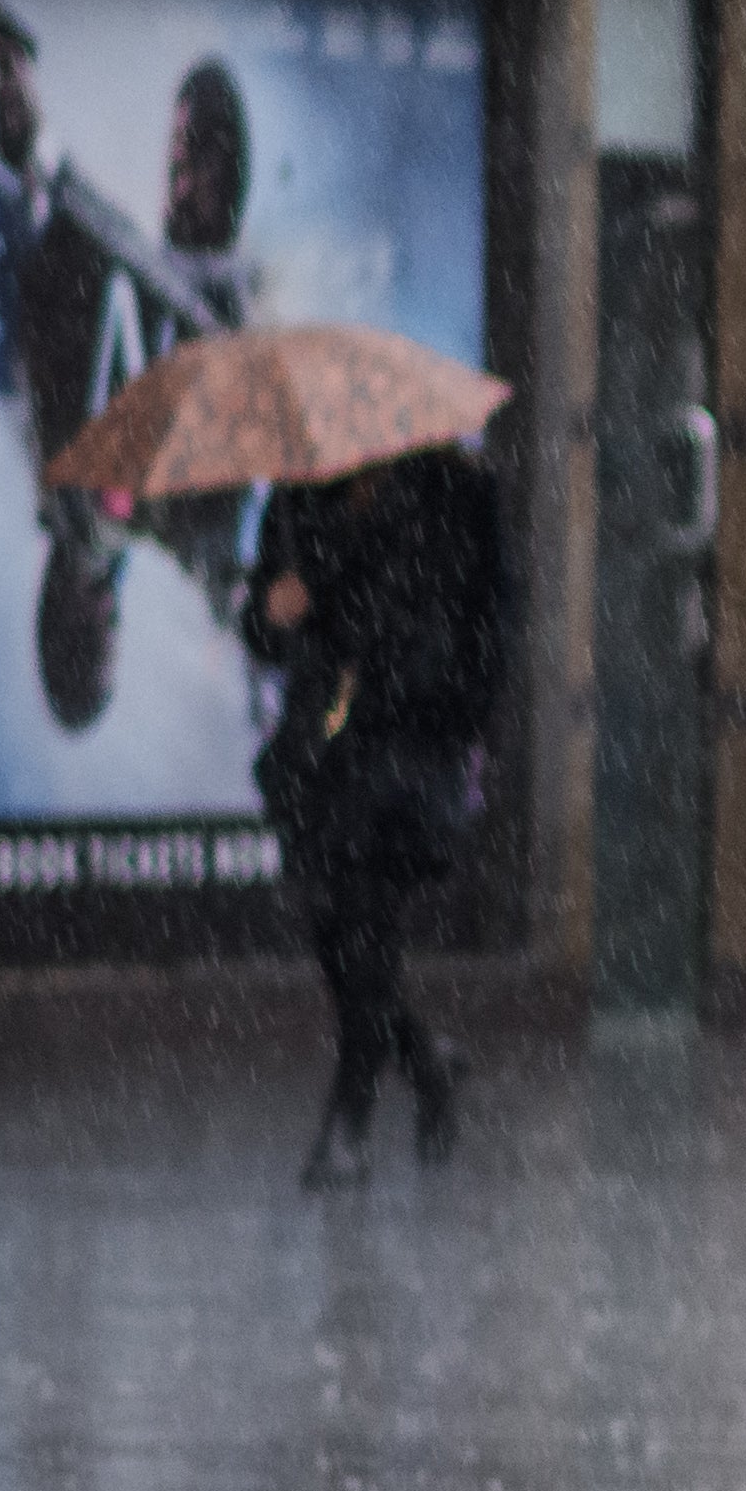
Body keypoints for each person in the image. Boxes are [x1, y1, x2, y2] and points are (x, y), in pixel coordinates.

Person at [243, 438, 506, 1187]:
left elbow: (489, 622)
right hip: (323, 753)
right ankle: (425, 1062)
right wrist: (274, 609)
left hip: (409, 746)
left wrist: (454, 710)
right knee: (337, 935)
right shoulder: (298, 500)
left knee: (370, 920)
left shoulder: (456, 493)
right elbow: (261, 629)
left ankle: (348, 1122)